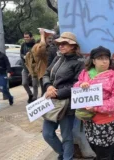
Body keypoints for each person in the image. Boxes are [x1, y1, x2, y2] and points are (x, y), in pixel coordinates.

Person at [74, 46, 114, 160]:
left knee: (104, 151)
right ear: (93, 61)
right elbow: (76, 87)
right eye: (100, 58)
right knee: (93, 144)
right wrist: (80, 85)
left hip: (105, 121)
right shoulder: (85, 73)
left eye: (107, 58)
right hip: (88, 120)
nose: (104, 61)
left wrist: (97, 107)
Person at [42, 32, 84, 160]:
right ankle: (63, 153)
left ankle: (67, 157)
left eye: (64, 43)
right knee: (47, 134)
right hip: (51, 100)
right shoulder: (58, 58)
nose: (61, 46)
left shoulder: (79, 62)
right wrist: (48, 86)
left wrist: (57, 93)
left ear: (73, 46)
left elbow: (77, 84)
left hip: (67, 104)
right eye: (59, 43)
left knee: (66, 136)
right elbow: (46, 74)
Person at [25, 28, 56, 98]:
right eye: (49, 38)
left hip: (53, 73)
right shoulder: (37, 47)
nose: (50, 40)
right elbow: (42, 48)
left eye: (51, 38)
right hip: (44, 73)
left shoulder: (51, 47)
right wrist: (42, 35)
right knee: (45, 93)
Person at [20, 31, 37, 103]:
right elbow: (21, 54)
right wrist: (24, 56)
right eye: (25, 37)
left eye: (27, 37)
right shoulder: (23, 45)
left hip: (34, 67)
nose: (26, 38)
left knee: (35, 83)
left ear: (31, 37)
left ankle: (35, 97)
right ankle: (30, 94)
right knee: (24, 83)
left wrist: (30, 55)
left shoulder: (35, 45)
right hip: (25, 67)